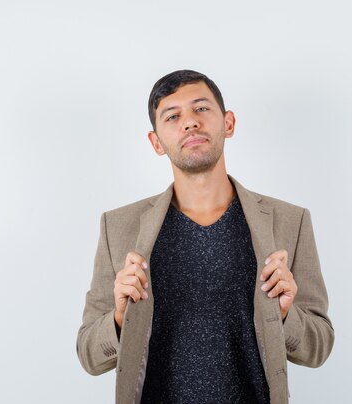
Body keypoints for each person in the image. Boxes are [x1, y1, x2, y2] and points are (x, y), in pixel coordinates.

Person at [76, 70, 334, 404]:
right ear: (156, 142)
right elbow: (89, 355)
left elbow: (319, 347)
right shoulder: (119, 227)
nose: (189, 123)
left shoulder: (289, 222)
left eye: (201, 109)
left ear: (228, 123)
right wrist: (119, 319)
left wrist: (286, 315)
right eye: (173, 116)